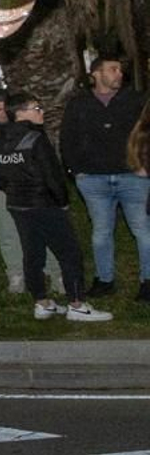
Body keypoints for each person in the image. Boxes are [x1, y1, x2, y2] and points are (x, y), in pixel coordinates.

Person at [0, 93, 112, 322]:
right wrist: (63, 201)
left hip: (17, 205)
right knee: (70, 253)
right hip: (44, 204)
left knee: (32, 255)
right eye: (36, 108)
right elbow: (52, 175)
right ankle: (77, 304)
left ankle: (42, 303)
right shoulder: (35, 138)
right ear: (20, 112)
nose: (41, 112)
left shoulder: (2, 141)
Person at [60, 56, 150, 299]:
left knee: (143, 231)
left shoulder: (135, 100)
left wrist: (146, 166)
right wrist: (76, 171)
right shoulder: (79, 104)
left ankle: (147, 282)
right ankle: (104, 280)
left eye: (120, 69)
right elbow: (67, 139)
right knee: (101, 232)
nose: (119, 73)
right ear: (96, 74)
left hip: (133, 178)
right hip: (93, 180)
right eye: (113, 69)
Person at [0, 89, 61, 294]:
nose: (2, 114)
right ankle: (16, 274)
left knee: (45, 232)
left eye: (4, 109)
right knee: (8, 233)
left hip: (30, 190)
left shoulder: (29, 129)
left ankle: (55, 273)